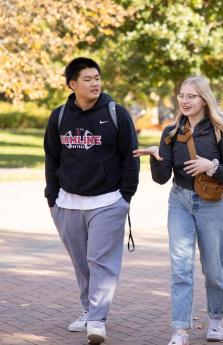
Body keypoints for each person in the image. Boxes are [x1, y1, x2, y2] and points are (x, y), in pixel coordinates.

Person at [133, 76, 223, 345]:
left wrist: (211, 167)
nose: (184, 100)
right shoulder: (171, 132)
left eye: (191, 96)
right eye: (182, 95)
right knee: (181, 268)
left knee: (213, 269)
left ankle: (216, 318)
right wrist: (155, 159)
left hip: (213, 205)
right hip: (180, 202)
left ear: (204, 99)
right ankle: (180, 329)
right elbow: (162, 179)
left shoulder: (222, 131)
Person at [43, 57, 140, 344]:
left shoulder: (116, 113)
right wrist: (52, 197)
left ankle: (97, 319)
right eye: (87, 79)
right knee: (81, 263)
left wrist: (125, 196)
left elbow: (130, 157)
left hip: (108, 201)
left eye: (97, 77)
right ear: (72, 84)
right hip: (68, 203)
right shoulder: (59, 116)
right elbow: (52, 158)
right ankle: (88, 310)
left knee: (101, 262)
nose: (95, 83)